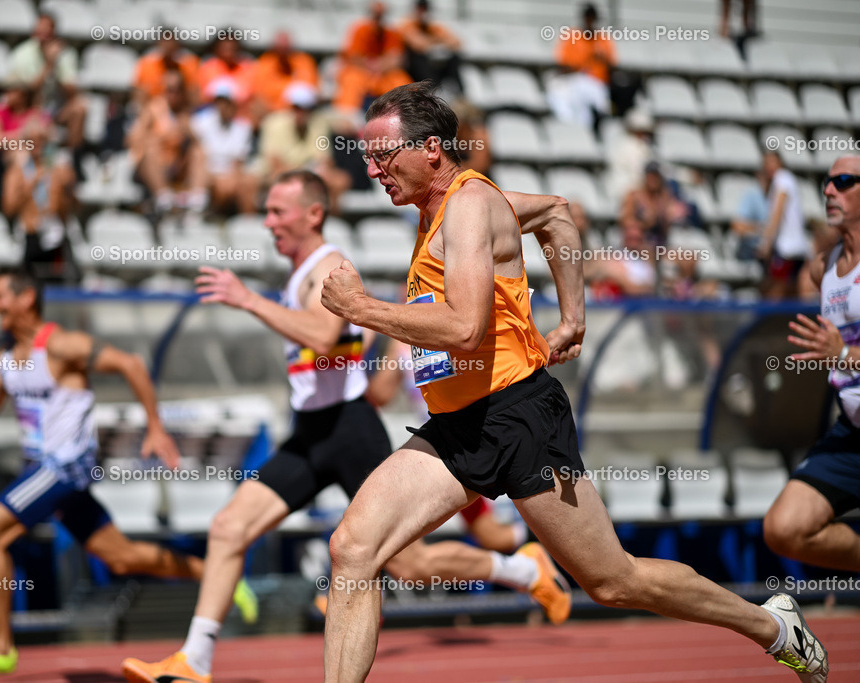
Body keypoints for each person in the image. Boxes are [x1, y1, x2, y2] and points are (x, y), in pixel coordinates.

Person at [318, 81, 827, 682]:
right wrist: (573, 319)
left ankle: (772, 627)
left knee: (614, 581)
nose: (372, 170)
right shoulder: (456, 208)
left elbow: (461, 326)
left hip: (518, 415)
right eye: (366, 158)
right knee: (353, 548)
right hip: (460, 426)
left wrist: (358, 308)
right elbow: (557, 213)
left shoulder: (468, 203)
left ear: (432, 148)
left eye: (382, 156)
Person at [120, 170, 575, 683]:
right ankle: (194, 659)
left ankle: (520, 569)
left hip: (349, 430)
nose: (268, 221)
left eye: (277, 211)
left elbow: (323, 331)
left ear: (313, 214)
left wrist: (247, 300)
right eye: (266, 212)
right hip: (311, 431)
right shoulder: (299, 275)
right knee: (229, 528)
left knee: (405, 564)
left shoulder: (330, 263)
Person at [0, 269, 199, 680]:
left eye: (0, 296)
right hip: (44, 472)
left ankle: (0, 646)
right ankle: (215, 572)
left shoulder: (61, 346)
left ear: (27, 299)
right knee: (121, 557)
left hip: (64, 467)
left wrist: (155, 425)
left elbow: (130, 363)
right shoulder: (4, 355)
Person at [764, 157, 860, 575]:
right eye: (826, 182)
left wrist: (842, 354)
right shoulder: (822, 267)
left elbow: (840, 351)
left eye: (843, 181)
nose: (828, 191)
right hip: (852, 433)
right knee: (784, 528)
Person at [366, 334, 529, 554]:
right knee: (490, 537)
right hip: (446, 450)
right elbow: (380, 395)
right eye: (403, 296)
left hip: (478, 438)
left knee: (494, 536)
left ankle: (541, 549)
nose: (405, 297)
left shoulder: (453, 325)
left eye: (407, 295)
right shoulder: (404, 339)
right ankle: (537, 551)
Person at [254, 82, 351, 215]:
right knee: (278, 181)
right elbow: (275, 165)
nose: (301, 112)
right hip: (280, 174)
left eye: (306, 108)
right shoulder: (274, 123)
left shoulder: (318, 124)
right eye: (297, 107)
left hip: (304, 172)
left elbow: (325, 160)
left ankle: (330, 222)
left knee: (339, 180)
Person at [2, 120, 76, 283]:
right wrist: (30, 187)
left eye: (41, 139)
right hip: (29, 234)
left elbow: (70, 209)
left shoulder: (58, 169)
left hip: (55, 233)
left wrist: (68, 189)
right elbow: (9, 208)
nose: (37, 144)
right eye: (32, 139)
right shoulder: (17, 171)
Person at [127, 69, 208, 216]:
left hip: (178, 165)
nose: (172, 95)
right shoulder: (153, 109)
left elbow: (200, 143)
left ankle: (197, 199)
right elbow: (133, 138)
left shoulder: (186, 113)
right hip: (154, 165)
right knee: (151, 146)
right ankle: (163, 197)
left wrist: (188, 132)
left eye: (177, 90)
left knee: (198, 150)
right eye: (169, 90)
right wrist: (160, 138)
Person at [8, 12, 86, 150]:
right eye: (40, 34)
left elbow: (72, 92)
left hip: (58, 109)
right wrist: (48, 65)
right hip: (32, 107)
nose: (43, 39)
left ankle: (72, 155)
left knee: (80, 109)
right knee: (36, 117)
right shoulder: (22, 54)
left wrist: (59, 69)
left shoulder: (66, 54)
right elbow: (27, 93)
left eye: (48, 35)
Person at [190, 78, 256, 216]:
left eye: (226, 102)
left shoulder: (243, 127)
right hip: (207, 174)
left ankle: (248, 222)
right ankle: (197, 204)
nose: (222, 106)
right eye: (219, 102)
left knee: (248, 182)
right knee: (197, 154)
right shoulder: (200, 122)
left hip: (229, 176)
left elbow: (238, 163)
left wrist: (227, 181)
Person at [547, 3, 616, 129]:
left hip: (598, 85)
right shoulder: (571, 36)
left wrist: (601, 59)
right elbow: (562, 66)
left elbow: (612, 67)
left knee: (592, 100)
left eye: (592, 18)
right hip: (574, 81)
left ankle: (599, 118)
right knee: (565, 96)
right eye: (587, 17)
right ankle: (573, 127)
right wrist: (582, 65)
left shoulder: (603, 39)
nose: (589, 21)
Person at [334, 1, 412, 112]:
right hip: (362, 73)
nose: (378, 19)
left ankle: (407, 116)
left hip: (384, 75)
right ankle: (346, 120)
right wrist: (369, 63)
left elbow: (396, 59)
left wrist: (379, 64)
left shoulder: (392, 33)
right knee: (351, 79)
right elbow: (353, 56)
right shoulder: (360, 30)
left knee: (402, 81)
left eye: (381, 15)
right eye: (375, 15)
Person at [756, 151, 809, 300]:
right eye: (766, 163)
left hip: (787, 248)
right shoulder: (786, 180)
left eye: (772, 162)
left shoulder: (782, 178)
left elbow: (778, 212)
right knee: (792, 293)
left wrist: (766, 242)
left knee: (776, 294)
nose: (769, 166)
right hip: (796, 246)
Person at [398, 0, 462, 95]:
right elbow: (418, 45)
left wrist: (434, 40)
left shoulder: (432, 27)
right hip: (411, 67)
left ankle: (458, 92)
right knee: (420, 58)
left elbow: (456, 43)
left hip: (432, 64)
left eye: (425, 9)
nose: (423, 13)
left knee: (454, 58)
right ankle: (432, 90)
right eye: (421, 9)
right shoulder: (407, 24)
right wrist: (437, 40)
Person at [252, 31, 320, 114]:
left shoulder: (304, 61)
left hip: (300, 112)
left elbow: (311, 89)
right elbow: (260, 93)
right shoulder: (265, 62)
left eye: (286, 48)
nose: (283, 52)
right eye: (280, 48)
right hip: (271, 111)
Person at [132, 34, 200, 107]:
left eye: (171, 41)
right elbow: (139, 94)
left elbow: (194, 94)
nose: (168, 45)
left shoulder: (189, 64)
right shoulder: (146, 64)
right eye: (165, 41)